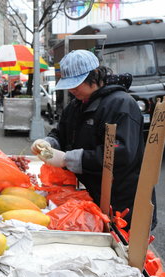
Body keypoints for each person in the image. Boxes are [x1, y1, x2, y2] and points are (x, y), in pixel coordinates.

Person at [30, 49, 156, 230]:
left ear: (95, 75)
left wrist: (67, 159)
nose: (72, 89)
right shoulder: (76, 105)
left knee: (124, 247)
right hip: (92, 195)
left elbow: (121, 153)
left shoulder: (121, 104)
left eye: (77, 83)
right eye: (69, 84)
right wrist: (48, 143)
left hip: (122, 201)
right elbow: (62, 133)